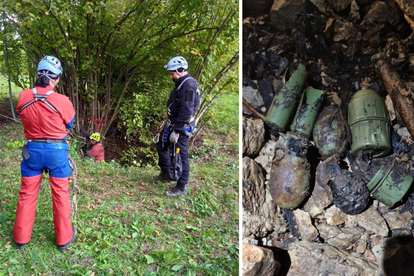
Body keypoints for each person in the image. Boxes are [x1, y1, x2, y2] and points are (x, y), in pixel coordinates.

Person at [13, 55, 76, 251]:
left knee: (27, 193)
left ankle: (21, 238)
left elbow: (21, 113)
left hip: (32, 151)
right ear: (55, 78)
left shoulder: (23, 96)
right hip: (56, 152)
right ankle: (64, 239)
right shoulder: (61, 100)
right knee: (60, 194)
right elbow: (70, 124)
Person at [154, 56, 200, 196]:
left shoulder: (188, 85)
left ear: (180, 70)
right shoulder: (181, 83)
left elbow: (187, 111)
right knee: (161, 144)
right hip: (172, 123)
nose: (171, 76)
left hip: (181, 126)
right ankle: (166, 173)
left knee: (181, 155)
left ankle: (181, 186)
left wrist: (178, 131)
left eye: (172, 73)